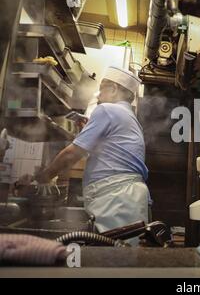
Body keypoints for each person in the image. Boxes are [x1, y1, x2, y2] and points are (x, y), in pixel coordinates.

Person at [19, 66, 151, 245]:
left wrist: (44, 177)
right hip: (126, 198)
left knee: (113, 262)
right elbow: (111, 150)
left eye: (102, 88)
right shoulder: (129, 117)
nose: (98, 95)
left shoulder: (107, 110)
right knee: (120, 258)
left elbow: (72, 153)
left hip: (116, 199)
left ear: (113, 89)